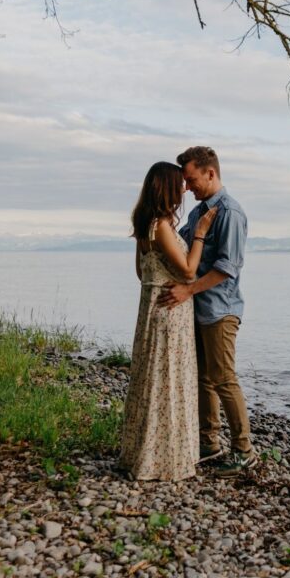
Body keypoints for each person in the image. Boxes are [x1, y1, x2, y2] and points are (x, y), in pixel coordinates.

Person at [159, 146, 257, 477]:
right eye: (185, 182)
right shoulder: (197, 214)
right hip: (197, 308)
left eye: (191, 179)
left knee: (224, 378)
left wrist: (187, 290)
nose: (187, 187)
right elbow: (185, 252)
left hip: (220, 309)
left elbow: (226, 268)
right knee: (204, 379)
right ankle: (209, 443)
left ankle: (244, 450)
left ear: (210, 173)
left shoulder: (230, 213)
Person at [118, 161, 216, 481]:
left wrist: (158, 280)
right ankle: (165, 459)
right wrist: (199, 234)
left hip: (150, 307)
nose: (184, 190)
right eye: (179, 185)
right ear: (166, 188)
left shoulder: (144, 222)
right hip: (169, 312)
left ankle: (141, 453)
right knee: (169, 381)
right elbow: (188, 270)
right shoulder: (161, 225)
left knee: (153, 380)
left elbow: (138, 273)